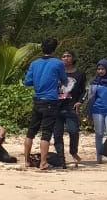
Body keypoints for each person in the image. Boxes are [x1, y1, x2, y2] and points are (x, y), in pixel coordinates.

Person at [23, 38, 67, 171]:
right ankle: (43, 162)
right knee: (46, 133)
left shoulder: (34, 63)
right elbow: (64, 80)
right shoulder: (58, 63)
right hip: (50, 100)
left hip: (37, 99)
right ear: (54, 49)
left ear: (42, 48)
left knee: (31, 131)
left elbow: (27, 82)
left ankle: (26, 160)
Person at [54, 51, 86, 167]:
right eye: (63, 56)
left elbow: (83, 91)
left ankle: (73, 151)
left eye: (68, 56)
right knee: (57, 134)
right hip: (56, 107)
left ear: (73, 58)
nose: (66, 58)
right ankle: (61, 158)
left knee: (73, 131)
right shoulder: (56, 73)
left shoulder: (80, 74)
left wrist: (80, 102)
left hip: (71, 107)